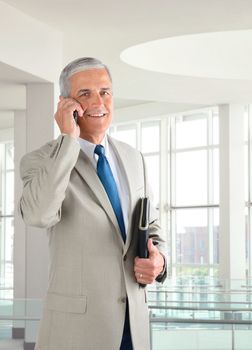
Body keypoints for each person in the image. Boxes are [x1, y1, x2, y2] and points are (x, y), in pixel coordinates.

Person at [19, 57, 167, 350]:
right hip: (76, 332)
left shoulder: (133, 158)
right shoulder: (41, 160)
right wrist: (68, 140)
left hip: (133, 328)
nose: (98, 101)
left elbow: (151, 226)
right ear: (66, 104)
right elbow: (38, 214)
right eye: (85, 94)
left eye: (105, 91)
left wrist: (159, 262)